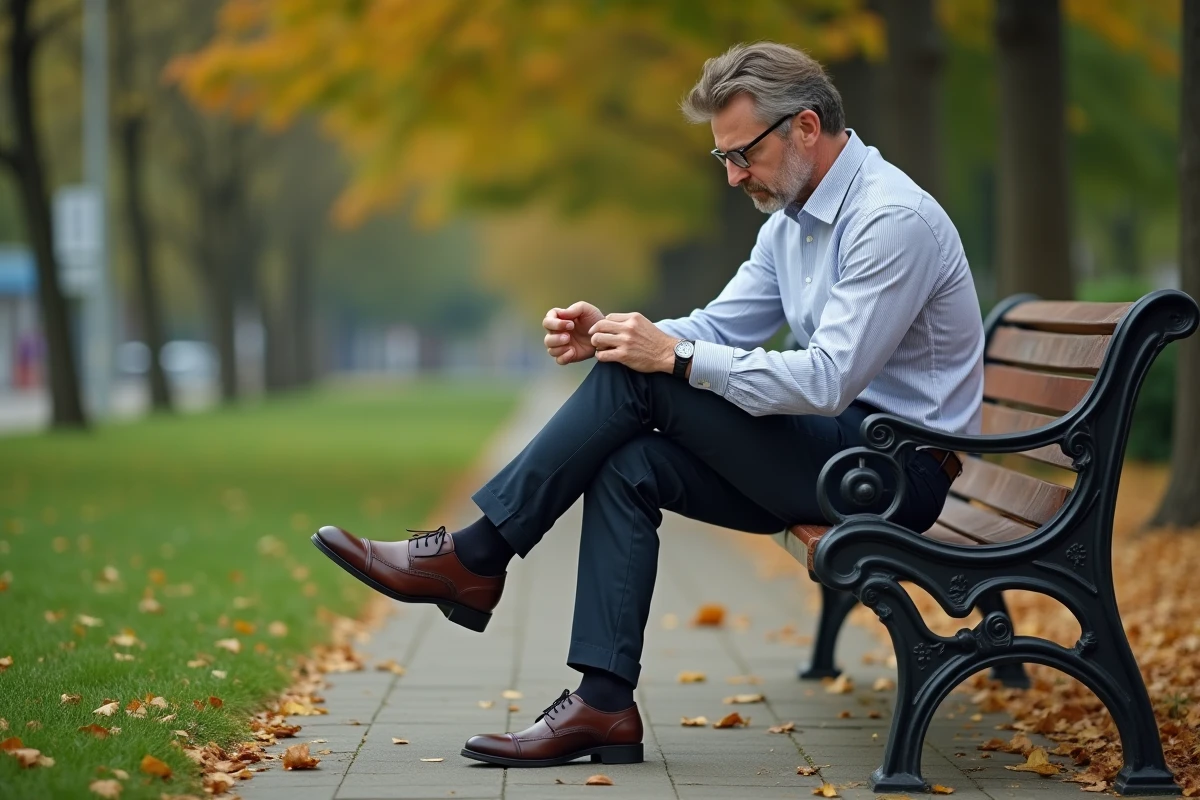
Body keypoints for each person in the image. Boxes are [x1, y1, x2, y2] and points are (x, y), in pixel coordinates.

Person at [312, 40, 984, 769]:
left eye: (741, 154)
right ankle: (602, 703)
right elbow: (718, 328)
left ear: (806, 129)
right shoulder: (790, 222)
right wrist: (616, 334)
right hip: (835, 452)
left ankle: (476, 556)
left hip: (893, 475)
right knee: (629, 460)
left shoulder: (890, 220)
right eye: (720, 158)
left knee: (646, 380)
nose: (732, 176)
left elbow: (826, 379)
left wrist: (665, 358)